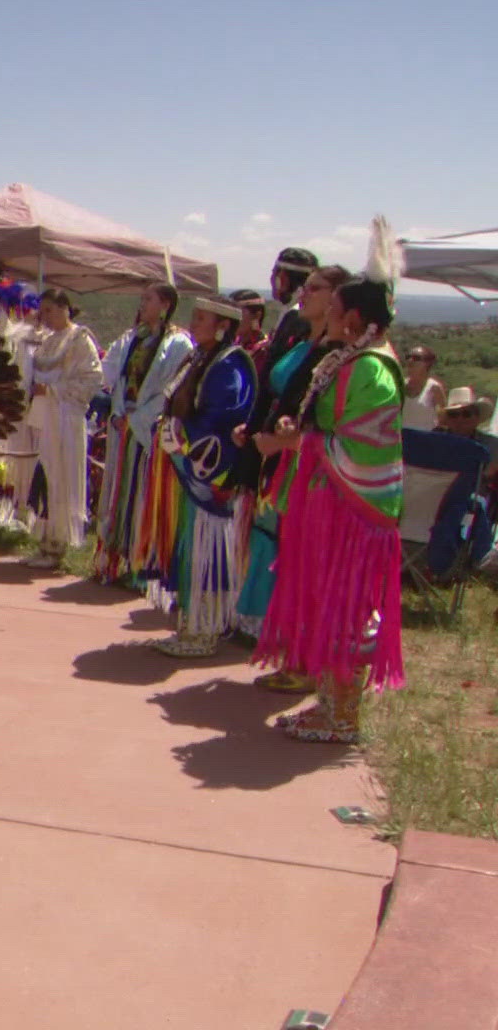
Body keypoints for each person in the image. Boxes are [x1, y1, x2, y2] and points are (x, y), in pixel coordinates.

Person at [256, 219, 407, 744]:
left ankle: (343, 716)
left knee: (346, 606)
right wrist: (299, 433)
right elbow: (330, 428)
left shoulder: (371, 371)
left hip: (352, 507)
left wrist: (297, 442)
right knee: (328, 600)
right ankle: (327, 704)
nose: (331, 316)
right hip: (330, 502)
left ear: (357, 317)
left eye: (338, 309)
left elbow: (362, 445)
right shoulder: (351, 360)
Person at [233, 264, 349, 692]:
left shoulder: (339, 354)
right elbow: (282, 396)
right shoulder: (305, 342)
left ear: (338, 298)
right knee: (283, 554)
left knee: (302, 559)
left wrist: (283, 443)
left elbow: (328, 423)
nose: (305, 292)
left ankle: (307, 661)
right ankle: (289, 650)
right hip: (282, 464)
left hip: (310, 469)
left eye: (316, 288)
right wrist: (260, 430)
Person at [147, 298, 256, 657]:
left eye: (201, 318)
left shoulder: (229, 365)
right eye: (193, 316)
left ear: (223, 326)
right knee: (190, 546)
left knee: (206, 549)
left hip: (209, 474)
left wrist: (182, 432)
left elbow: (224, 415)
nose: (193, 323)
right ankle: (190, 625)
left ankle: (205, 630)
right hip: (186, 468)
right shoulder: (199, 358)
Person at [90, 283, 194, 587]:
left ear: (165, 305)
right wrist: (119, 411)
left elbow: (171, 390)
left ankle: (140, 566)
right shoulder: (131, 338)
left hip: (149, 431)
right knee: (116, 492)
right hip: (123, 428)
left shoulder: (178, 345)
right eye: (142, 298)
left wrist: (137, 419)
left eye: (148, 299)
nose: (142, 303)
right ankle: (110, 560)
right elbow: (111, 376)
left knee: (142, 494)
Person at [22, 288, 103, 569]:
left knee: (61, 479)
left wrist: (53, 390)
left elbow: (92, 378)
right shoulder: (46, 340)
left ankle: (57, 545)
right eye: (42, 311)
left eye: (50, 311)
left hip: (66, 420)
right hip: (46, 419)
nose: (45, 317)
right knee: (44, 476)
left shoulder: (80, 340)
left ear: (65, 308)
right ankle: (44, 541)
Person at [399, 345, 446, 432]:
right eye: (408, 357)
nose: (410, 361)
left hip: (425, 439)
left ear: (427, 363)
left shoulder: (434, 388)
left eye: (416, 358)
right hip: (403, 439)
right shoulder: (400, 386)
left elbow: (443, 419)